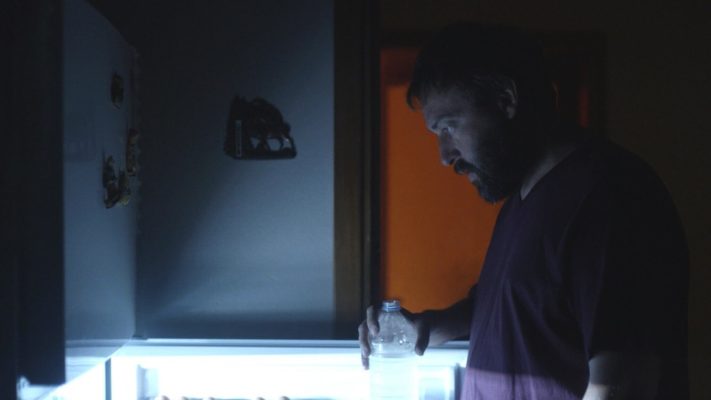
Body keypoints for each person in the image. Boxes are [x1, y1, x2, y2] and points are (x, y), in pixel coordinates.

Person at [359, 23, 688, 400]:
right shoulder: (521, 201)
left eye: (449, 127)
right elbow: (512, 309)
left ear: (506, 99)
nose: (445, 155)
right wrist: (426, 327)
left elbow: (623, 384)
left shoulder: (611, 196)